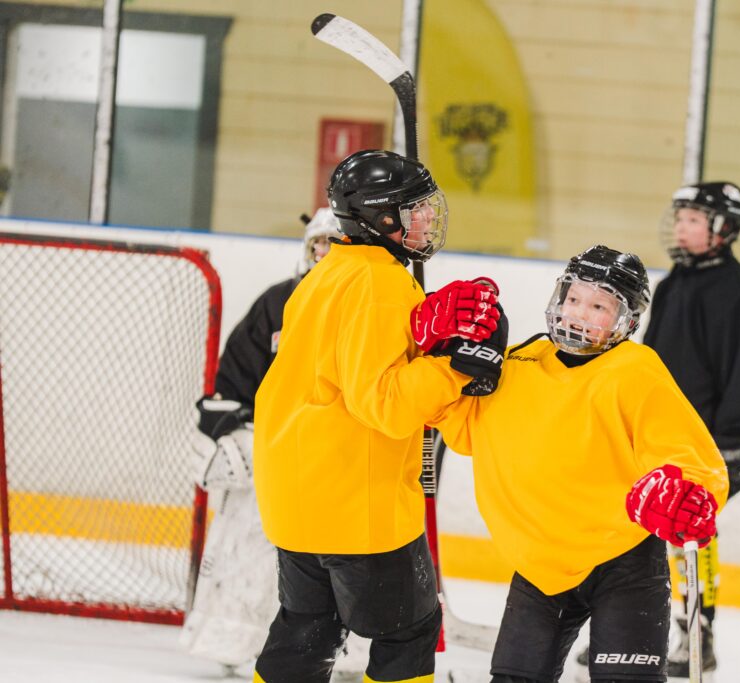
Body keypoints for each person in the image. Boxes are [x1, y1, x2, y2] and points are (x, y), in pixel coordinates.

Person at [250, 149, 503, 683]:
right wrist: (453, 367)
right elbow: (383, 404)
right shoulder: (382, 283)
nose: (429, 218)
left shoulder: (326, 274)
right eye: (415, 210)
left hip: (295, 499)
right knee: (409, 632)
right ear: (381, 218)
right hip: (356, 505)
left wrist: (423, 334)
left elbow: (341, 372)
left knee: (306, 629)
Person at [428, 245, 729, 683]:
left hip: (623, 559)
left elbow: (689, 456)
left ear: (626, 318)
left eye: (599, 305)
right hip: (540, 566)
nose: (579, 313)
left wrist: (688, 495)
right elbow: (455, 419)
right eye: (573, 298)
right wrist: (440, 352)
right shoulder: (519, 363)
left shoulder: (635, 371)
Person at [183, 208, 341, 673]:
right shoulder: (278, 303)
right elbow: (234, 377)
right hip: (275, 451)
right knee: (252, 536)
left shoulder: (362, 308)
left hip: (335, 456)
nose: (325, 253)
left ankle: (341, 644)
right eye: (318, 244)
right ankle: (232, 635)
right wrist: (226, 424)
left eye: (335, 243)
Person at [644, 181, 740, 676]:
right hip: (658, 435)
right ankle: (637, 631)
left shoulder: (739, 291)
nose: (681, 226)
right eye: (680, 217)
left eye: (694, 219)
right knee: (635, 538)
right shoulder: (674, 282)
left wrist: (734, 441)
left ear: (724, 229)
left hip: (705, 443)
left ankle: (697, 634)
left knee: (689, 538)